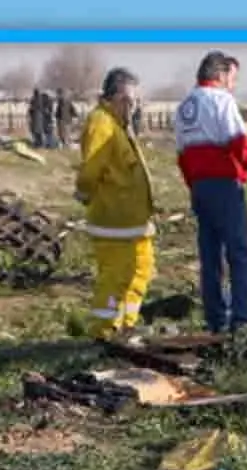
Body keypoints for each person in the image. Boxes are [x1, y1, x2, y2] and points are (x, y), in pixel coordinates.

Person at [175, 52, 247, 332]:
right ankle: (242, 317)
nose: (233, 85)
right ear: (221, 75)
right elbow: (240, 146)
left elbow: (182, 156)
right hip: (224, 185)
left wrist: (195, 186)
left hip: (200, 187)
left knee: (210, 253)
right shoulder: (221, 100)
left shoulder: (185, 106)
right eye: (232, 78)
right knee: (239, 252)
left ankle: (215, 317)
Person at [78, 67, 158, 342]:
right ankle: (102, 333)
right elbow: (91, 168)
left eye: (134, 101)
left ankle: (126, 325)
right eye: (126, 100)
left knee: (141, 269)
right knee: (115, 277)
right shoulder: (101, 123)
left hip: (134, 220)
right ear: (110, 97)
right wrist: (85, 194)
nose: (131, 106)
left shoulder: (120, 125)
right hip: (114, 221)